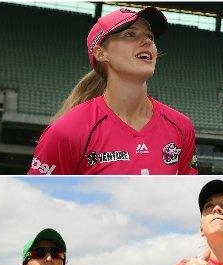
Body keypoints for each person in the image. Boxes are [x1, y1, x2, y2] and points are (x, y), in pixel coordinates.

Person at [28, 7, 197, 175]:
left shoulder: (181, 127)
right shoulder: (66, 131)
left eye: (150, 36)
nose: (147, 41)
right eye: (130, 34)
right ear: (100, 53)